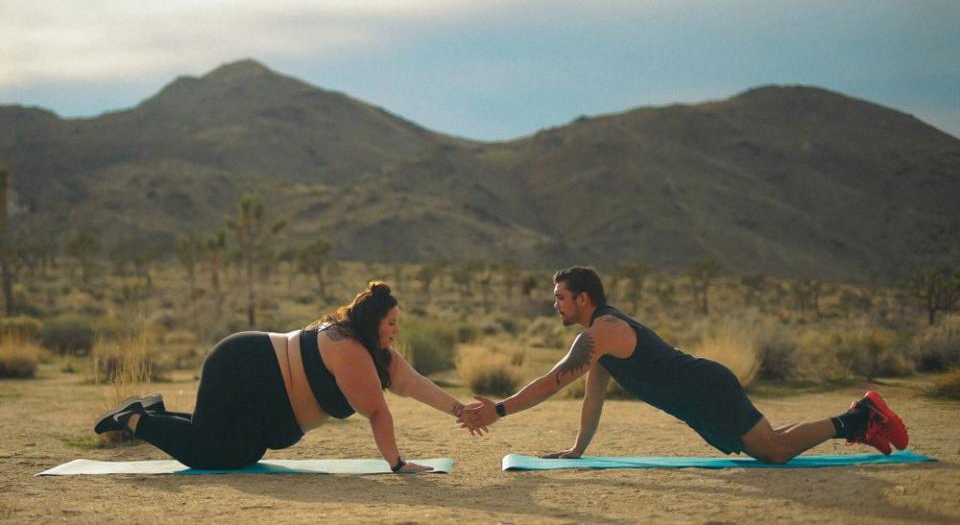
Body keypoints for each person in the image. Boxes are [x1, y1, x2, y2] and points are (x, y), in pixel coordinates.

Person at [459, 266, 908, 464]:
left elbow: (552, 381)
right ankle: (859, 418)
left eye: (559, 297)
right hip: (702, 397)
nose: (553, 305)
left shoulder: (604, 331)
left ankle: (860, 418)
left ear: (582, 298)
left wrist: (498, 410)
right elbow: (591, 396)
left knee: (774, 451)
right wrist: (578, 449)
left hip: (706, 389)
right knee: (770, 446)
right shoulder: (601, 343)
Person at [95, 281, 479, 472]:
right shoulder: (350, 350)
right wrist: (397, 464)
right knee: (214, 453)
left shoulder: (379, 355)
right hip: (246, 367)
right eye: (391, 323)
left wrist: (461, 409)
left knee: (243, 453)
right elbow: (378, 412)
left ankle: (154, 411)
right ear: (371, 322)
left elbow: (414, 384)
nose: (396, 331)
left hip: (263, 394)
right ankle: (133, 420)